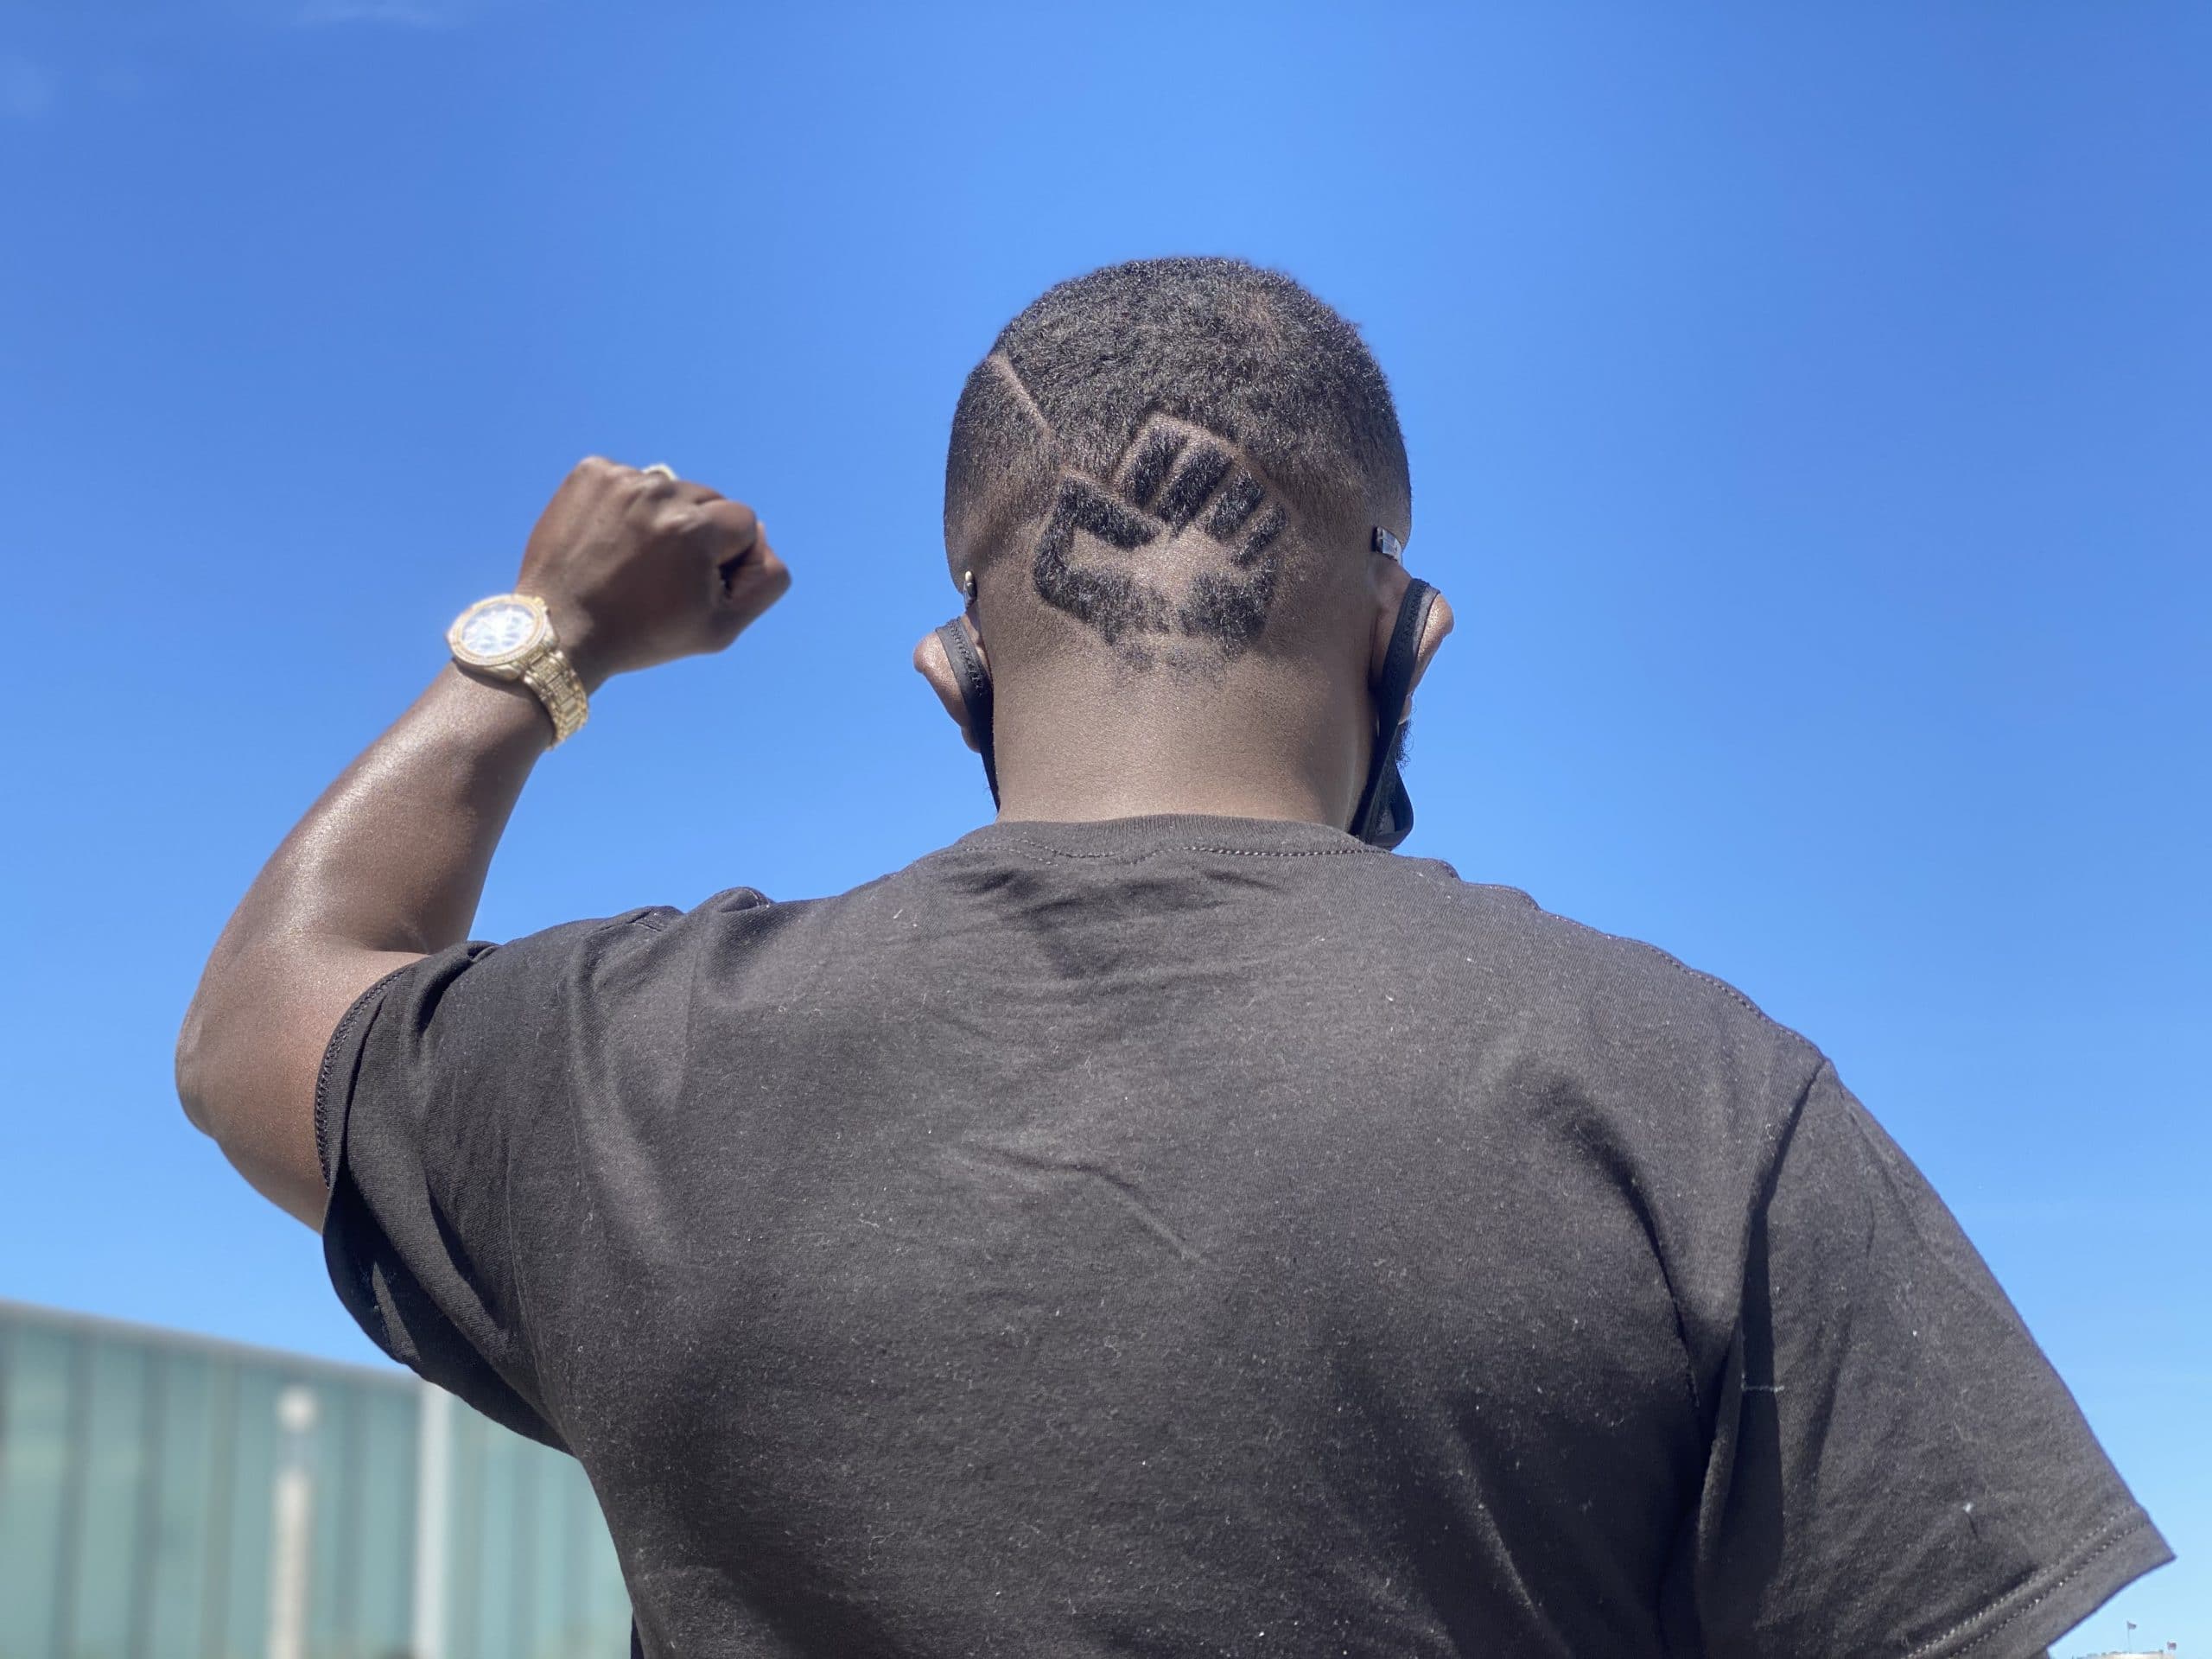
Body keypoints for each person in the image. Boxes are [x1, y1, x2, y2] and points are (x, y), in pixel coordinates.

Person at [178, 257, 2167, 1658]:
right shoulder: (1698, 1099)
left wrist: (548, 638)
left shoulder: (630, 1070)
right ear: (1410, 644)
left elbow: (262, 1022)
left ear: (953, 677)